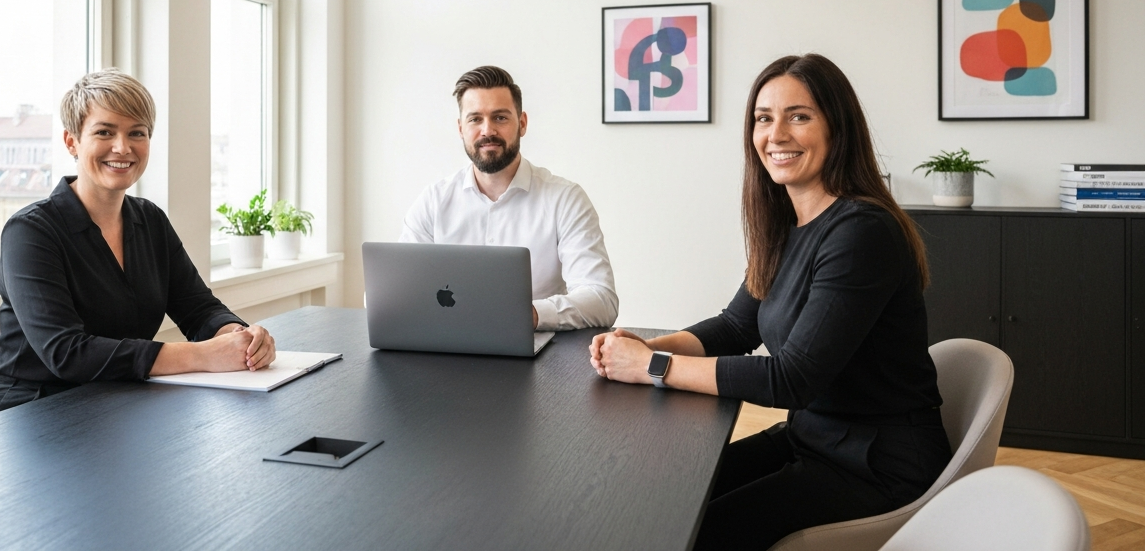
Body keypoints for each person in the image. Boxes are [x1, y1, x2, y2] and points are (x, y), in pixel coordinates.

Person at [589, 54, 951, 551]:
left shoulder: (861, 232)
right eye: (764, 118)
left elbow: (792, 378)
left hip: (877, 465)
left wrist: (654, 365)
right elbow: (737, 326)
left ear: (837, 127)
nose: (776, 134)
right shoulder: (786, 226)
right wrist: (641, 347)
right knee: (666, 500)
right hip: (813, 440)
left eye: (798, 116)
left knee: (693, 532)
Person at [0, 69, 275, 417]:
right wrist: (204, 355)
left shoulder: (150, 220)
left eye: (137, 133)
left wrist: (240, 338)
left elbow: (198, 307)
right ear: (71, 141)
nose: (123, 147)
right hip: (33, 412)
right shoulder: (30, 232)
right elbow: (67, 353)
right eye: (104, 132)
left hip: (117, 404)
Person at [401, 65, 617, 330]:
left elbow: (601, 299)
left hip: (536, 353)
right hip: (447, 347)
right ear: (460, 128)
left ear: (522, 123)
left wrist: (528, 315)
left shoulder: (565, 199)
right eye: (475, 119)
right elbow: (398, 289)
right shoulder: (433, 201)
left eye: (500, 117)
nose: (487, 130)